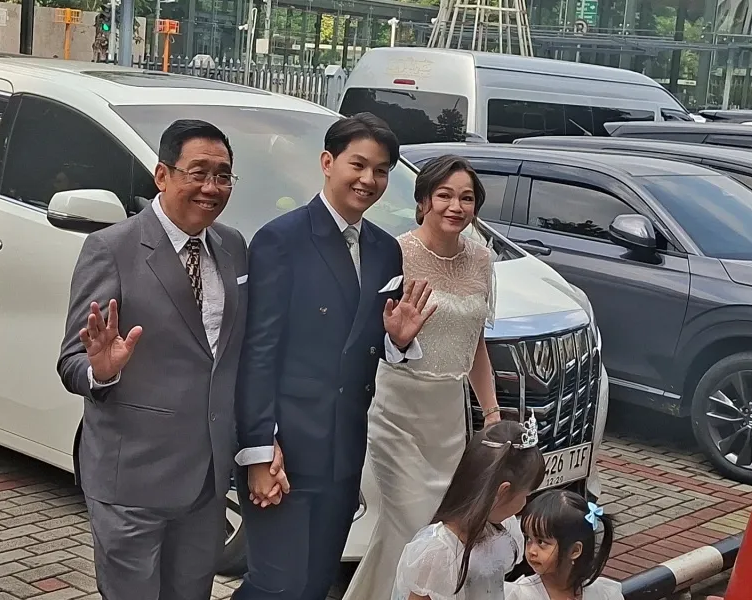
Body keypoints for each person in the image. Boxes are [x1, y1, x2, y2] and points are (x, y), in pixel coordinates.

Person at [232, 112, 435, 600]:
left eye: (382, 170)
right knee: (274, 584)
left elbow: (361, 343)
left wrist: (399, 341)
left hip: (343, 450)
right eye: (358, 165)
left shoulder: (386, 250)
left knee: (316, 583)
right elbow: (258, 351)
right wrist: (258, 452)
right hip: (285, 451)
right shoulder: (282, 239)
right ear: (327, 162)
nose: (369, 180)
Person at [57, 119, 253, 600]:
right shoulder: (111, 248)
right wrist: (103, 369)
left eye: (223, 175)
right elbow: (71, 362)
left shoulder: (232, 247)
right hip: (133, 479)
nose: (211, 187)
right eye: (198, 173)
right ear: (162, 175)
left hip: (206, 479)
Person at [343, 154, 502, 600]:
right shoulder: (395, 253)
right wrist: (392, 336)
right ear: (423, 202)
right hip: (395, 409)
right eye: (445, 195)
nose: (455, 206)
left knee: (429, 528)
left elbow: (476, 343)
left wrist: (490, 413)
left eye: (466, 198)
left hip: (449, 417)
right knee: (420, 525)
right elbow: (366, 335)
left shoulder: (482, 260)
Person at [392, 418, 545, 600]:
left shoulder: (497, 529)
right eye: (524, 495)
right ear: (502, 492)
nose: (524, 503)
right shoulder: (438, 553)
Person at [505, 491, 622, 600]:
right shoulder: (520, 595)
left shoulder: (602, 594)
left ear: (575, 551)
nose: (531, 550)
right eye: (528, 539)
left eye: (541, 542)